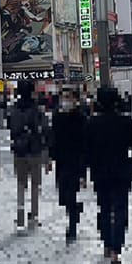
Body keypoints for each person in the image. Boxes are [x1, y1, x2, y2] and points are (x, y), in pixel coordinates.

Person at [85, 88, 132, 264]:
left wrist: (86, 170)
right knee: (120, 210)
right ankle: (117, 249)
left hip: (100, 173)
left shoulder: (92, 123)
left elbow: (86, 150)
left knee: (104, 208)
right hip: (121, 172)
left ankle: (107, 244)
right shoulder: (126, 121)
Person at [8, 80, 49, 232]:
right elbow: (44, 129)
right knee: (34, 185)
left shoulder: (13, 109)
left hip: (19, 150)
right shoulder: (37, 109)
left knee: (20, 184)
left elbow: (10, 128)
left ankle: (20, 216)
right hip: (34, 150)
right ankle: (33, 215)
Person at [51, 88, 86, 243]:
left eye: (68, 97)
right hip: (61, 160)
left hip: (75, 160)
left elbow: (85, 138)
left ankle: (72, 226)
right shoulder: (57, 116)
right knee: (63, 195)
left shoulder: (80, 116)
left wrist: (84, 167)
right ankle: (74, 209)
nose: (65, 100)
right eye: (64, 97)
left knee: (70, 192)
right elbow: (53, 137)